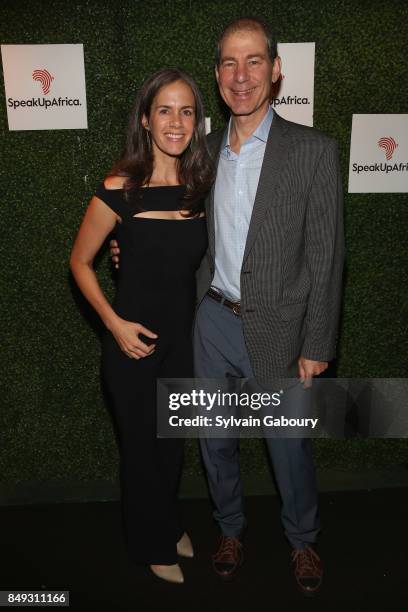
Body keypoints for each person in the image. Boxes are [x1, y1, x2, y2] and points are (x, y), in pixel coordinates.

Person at [111, 17, 344, 596]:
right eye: (229, 64)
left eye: (254, 61)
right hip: (210, 319)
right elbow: (164, 221)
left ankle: (302, 540)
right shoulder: (202, 152)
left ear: (276, 69)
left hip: (284, 329)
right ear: (217, 76)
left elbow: (327, 255)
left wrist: (317, 345)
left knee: (288, 448)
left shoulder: (314, 151)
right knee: (215, 441)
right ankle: (230, 529)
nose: (242, 76)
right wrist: (126, 246)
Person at [70, 68, 213, 584]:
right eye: (165, 110)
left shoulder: (201, 188)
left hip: (182, 343)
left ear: (198, 122)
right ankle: (150, 542)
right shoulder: (118, 188)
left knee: (172, 445)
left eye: (187, 110)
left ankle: (168, 521)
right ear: (146, 120)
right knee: (140, 448)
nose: (176, 121)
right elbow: (80, 262)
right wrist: (114, 324)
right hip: (132, 346)